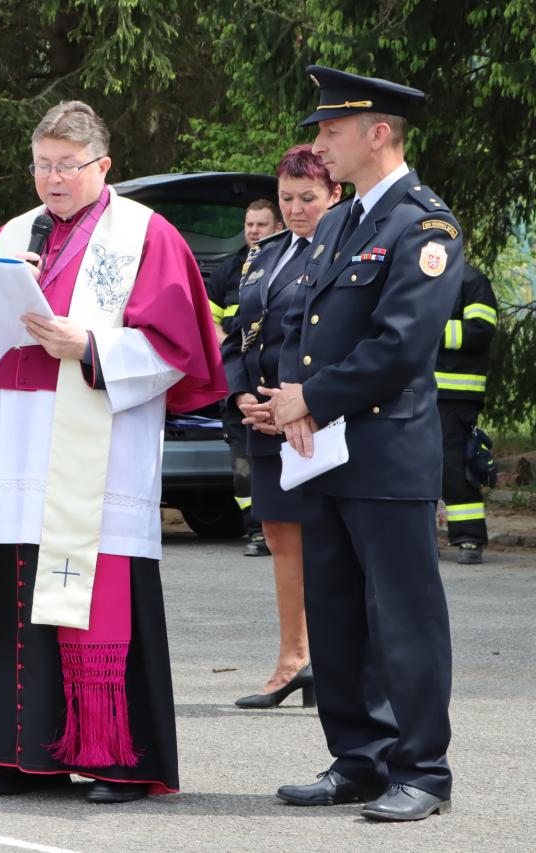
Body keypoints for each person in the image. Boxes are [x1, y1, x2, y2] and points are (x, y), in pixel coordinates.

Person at [0, 101, 226, 804]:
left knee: (95, 596)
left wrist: (88, 344)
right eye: (43, 165)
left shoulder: (145, 235)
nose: (53, 179)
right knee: (11, 594)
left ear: (103, 165)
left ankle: (116, 760)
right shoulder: (10, 235)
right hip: (14, 453)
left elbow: (180, 349)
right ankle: (15, 754)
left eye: (67, 165)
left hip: (97, 456)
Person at [256, 66, 461, 822]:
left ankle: (424, 770)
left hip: (386, 450)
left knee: (403, 617)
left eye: (331, 130)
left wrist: (310, 398)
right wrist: (286, 397)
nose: (319, 144)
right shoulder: (342, 219)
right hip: (324, 448)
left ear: (378, 134)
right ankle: (359, 758)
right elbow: (304, 323)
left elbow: (401, 345)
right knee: (337, 612)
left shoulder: (425, 226)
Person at [224, 145, 341, 708]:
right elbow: (239, 334)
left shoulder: (343, 250)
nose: (295, 210)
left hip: (319, 416)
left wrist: (298, 402)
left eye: (307, 198)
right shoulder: (264, 254)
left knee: (329, 541)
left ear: (334, 194)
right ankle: (295, 659)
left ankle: (337, 663)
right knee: (279, 536)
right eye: (286, 198)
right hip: (263, 417)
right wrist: (242, 394)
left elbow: (338, 339)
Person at [209, 199, 281, 557]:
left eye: (261, 225)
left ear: (277, 227)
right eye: (249, 224)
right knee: (243, 464)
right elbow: (209, 321)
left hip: (277, 378)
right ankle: (256, 530)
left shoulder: (288, 261)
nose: (253, 231)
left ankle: (282, 528)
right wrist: (233, 351)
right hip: (238, 378)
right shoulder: (228, 270)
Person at [435, 263, 497, 564]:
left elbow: (481, 329)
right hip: (413, 394)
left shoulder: (471, 279)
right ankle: (421, 539)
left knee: (455, 467)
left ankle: (469, 538)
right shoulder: (412, 274)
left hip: (456, 394)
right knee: (414, 468)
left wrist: (429, 331)